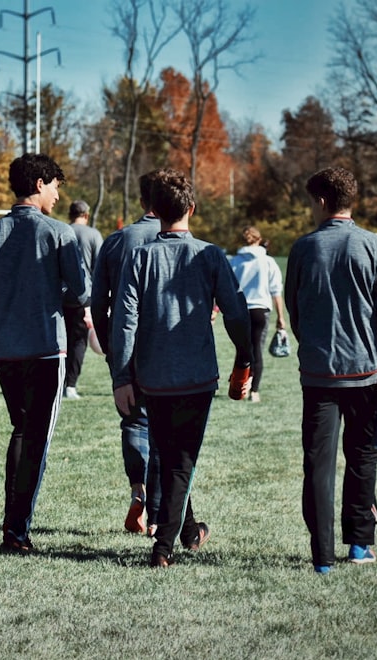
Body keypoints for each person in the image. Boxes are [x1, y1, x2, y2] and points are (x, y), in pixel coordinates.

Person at [110, 168, 252, 568]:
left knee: (171, 455)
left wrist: (122, 375)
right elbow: (236, 313)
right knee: (180, 460)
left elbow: (125, 322)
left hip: (152, 376)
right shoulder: (209, 254)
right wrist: (244, 358)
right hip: (195, 375)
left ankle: (188, 531)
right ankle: (164, 547)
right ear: (192, 207)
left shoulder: (139, 256)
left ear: (154, 209)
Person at [284, 166, 377, 575]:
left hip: (319, 374)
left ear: (321, 201)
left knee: (318, 465)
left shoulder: (303, 248)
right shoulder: (372, 245)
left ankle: (322, 557)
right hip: (365, 372)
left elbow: (295, 312)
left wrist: (314, 344)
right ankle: (358, 546)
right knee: (361, 460)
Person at [0, 153, 89, 554]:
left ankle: (13, 525)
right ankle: (15, 530)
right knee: (35, 438)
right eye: (55, 185)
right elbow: (82, 290)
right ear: (39, 184)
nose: (57, 194)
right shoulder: (59, 234)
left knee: (21, 432)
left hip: (3, 350)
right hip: (44, 350)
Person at [91, 170, 163, 536]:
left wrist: (109, 349)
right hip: (167, 346)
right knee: (167, 429)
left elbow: (98, 300)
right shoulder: (180, 237)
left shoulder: (118, 240)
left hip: (126, 345)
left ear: (140, 201)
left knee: (134, 421)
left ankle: (139, 489)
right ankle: (158, 510)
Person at [229, 225, 286, 403]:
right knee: (257, 351)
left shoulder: (234, 261)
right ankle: (254, 391)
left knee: (242, 349)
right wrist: (281, 318)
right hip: (260, 309)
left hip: (240, 311)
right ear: (259, 240)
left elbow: (227, 288)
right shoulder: (268, 262)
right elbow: (276, 291)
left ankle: (239, 386)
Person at [62, 199, 103, 399]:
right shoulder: (93, 235)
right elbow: (100, 269)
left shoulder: (60, 231)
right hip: (84, 298)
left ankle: (59, 383)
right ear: (86, 215)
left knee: (62, 341)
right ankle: (70, 385)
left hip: (60, 297)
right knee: (79, 342)